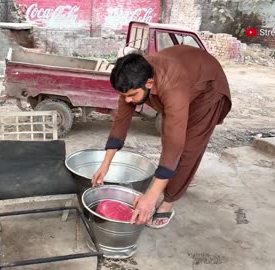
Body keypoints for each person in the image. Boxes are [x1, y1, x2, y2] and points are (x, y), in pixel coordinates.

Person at [91, 45, 232, 229]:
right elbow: (121, 120)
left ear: (149, 83)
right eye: (124, 95)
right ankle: (178, 177)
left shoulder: (172, 84)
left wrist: (152, 196)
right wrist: (105, 163)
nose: (127, 100)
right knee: (169, 137)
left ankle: (169, 201)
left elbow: (175, 145)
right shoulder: (132, 80)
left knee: (187, 148)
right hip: (186, 73)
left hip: (208, 91)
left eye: (132, 96)